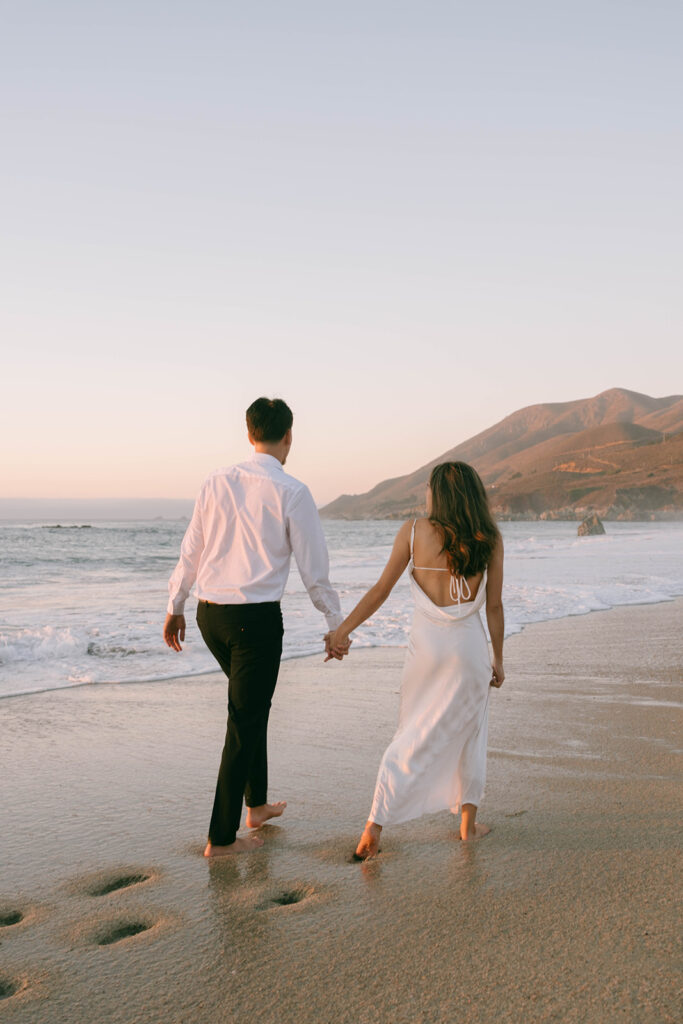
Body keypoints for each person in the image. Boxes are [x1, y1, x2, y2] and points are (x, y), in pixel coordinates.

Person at [164, 397, 346, 857]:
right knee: (244, 719)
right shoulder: (293, 491)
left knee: (252, 707)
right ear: (288, 437)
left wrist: (175, 604)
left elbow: (192, 549)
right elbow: (314, 568)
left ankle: (258, 805)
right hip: (256, 624)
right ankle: (221, 839)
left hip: (210, 617)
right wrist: (334, 622)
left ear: (249, 435)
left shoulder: (216, 480)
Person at [326, 461, 505, 859]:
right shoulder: (490, 538)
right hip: (471, 653)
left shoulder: (412, 532)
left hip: (427, 653)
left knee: (410, 735)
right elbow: (493, 606)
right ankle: (468, 828)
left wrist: (343, 631)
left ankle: (375, 824)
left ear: (437, 494)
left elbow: (380, 591)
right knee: (472, 734)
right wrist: (499, 658)